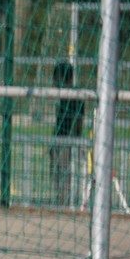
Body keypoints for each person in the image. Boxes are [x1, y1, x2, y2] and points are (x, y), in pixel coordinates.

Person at [49, 61, 83, 206]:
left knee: (65, 173)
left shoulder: (74, 95)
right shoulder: (62, 95)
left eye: (56, 77)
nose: (54, 81)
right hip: (59, 139)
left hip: (67, 140)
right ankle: (61, 199)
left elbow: (78, 120)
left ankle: (65, 201)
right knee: (57, 172)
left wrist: (73, 139)